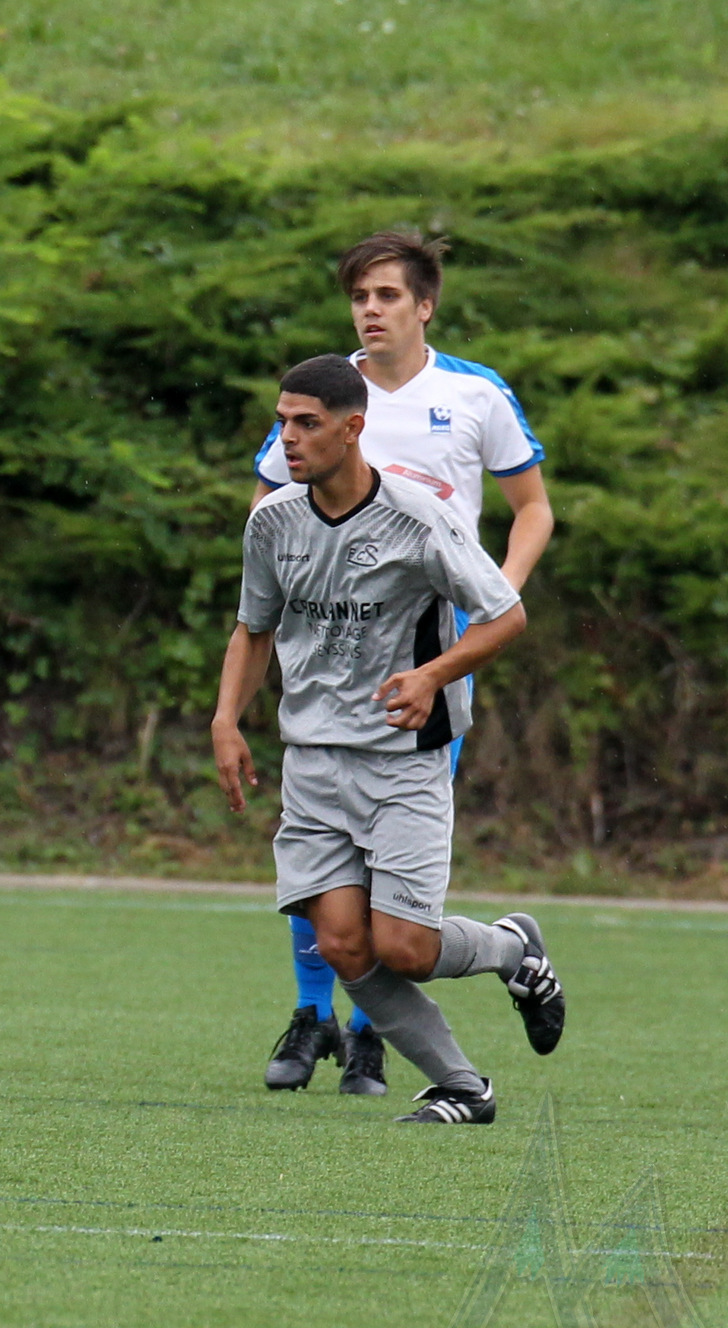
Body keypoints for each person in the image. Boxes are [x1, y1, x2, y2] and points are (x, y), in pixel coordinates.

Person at [213, 355, 565, 1124]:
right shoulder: (272, 521)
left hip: (402, 762)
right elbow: (253, 628)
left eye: (307, 423)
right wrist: (225, 719)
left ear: (352, 428)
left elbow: (505, 615)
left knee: (405, 946)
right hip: (312, 761)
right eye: (282, 421)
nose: (289, 437)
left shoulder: (418, 516)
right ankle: (463, 1087)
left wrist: (432, 674)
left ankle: (512, 948)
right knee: (343, 942)